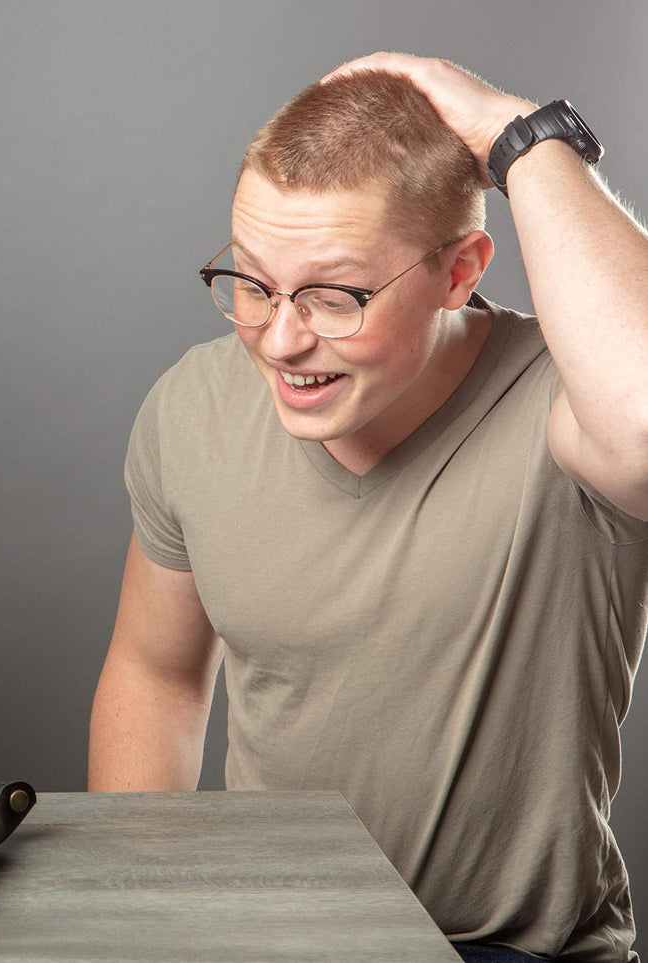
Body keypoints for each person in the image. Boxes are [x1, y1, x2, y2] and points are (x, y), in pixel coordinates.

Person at [89, 52, 647, 963]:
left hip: (503, 950)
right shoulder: (192, 403)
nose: (279, 338)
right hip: (264, 940)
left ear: (460, 271)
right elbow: (155, 674)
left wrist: (520, 134)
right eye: (254, 283)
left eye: (334, 295)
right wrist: (139, 910)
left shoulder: (571, 402)